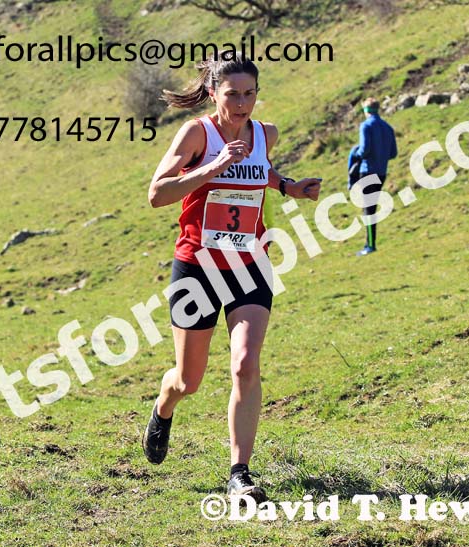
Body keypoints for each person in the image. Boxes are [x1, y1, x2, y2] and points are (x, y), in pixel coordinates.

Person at [143, 53, 321, 502]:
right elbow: (157, 193)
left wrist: (288, 187)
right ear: (213, 93)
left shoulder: (266, 134)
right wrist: (212, 167)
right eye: (233, 94)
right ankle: (164, 408)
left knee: (245, 363)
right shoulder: (196, 134)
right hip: (198, 268)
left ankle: (239, 472)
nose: (242, 103)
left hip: (249, 264)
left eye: (250, 94)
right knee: (190, 380)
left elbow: (260, 171)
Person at [348, 97, 397, 256]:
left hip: (368, 170)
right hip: (381, 171)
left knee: (368, 208)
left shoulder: (366, 126)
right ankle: (370, 243)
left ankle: (370, 245)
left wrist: (355, 152)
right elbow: (393, 153)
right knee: (371, 206)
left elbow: (364, 150)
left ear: (366, 111)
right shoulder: (388, 127)